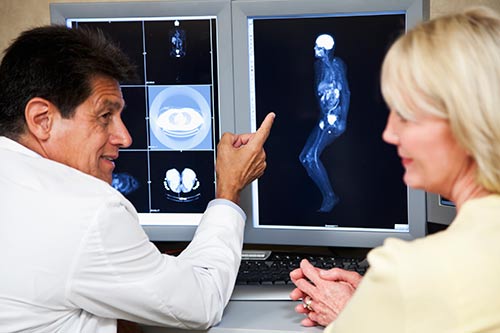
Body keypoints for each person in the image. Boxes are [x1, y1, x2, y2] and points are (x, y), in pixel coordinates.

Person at [0, 25, 275, 332]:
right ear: (42, 120)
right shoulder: (88, 212)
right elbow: (201, 302)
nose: (125, 137)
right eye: (105, 116)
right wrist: (229, 187)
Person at [290, 6, 500, 332]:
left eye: (405, 113)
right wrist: (381, 302)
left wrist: (355, 315)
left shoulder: (407, 271)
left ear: (467, 120)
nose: (388, 133)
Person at [299, 33, 350, 213]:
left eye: (317, 47)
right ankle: (328, 195)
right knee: (304, 158)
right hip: (324, 119)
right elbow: (320, 95)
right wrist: (322, 117)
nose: (314, 49)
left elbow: (345, 93)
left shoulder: (337, 65)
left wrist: (342, 119)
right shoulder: (319, 66)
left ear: (325, 49)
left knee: (310, 158)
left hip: (334, 120)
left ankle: (330, 197)